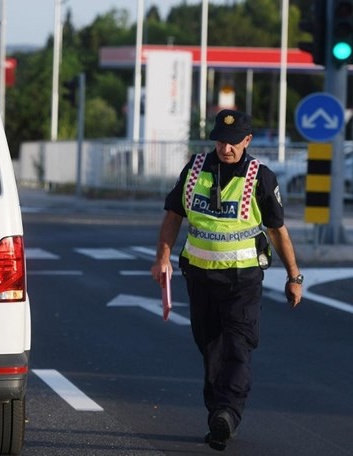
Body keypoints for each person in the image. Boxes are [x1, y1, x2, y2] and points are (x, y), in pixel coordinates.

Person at [150, 109, 303, 451]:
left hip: (242, 279)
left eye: (233, 142)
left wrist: (295, 276)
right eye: (220, 140)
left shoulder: (260, 177)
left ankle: (227, 413)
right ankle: (218, 413)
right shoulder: (194, 170)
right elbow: (174, 215)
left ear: (247, 141)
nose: (226, 148)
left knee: (238, 346)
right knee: (210, 348)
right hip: (199, 276)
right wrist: (162, 257)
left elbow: (278, 231)